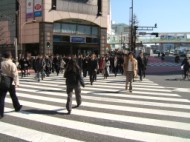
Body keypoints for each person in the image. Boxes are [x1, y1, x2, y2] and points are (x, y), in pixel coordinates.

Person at [0, 51, 22, 119]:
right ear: (10, 56)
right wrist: (16, 83)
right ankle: (17, 106)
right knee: (13, 95)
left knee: (1, 97)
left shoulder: (1, 63)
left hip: (2, 82)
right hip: (11, 82)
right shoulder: (12, 64)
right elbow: (15, 74)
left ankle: (1, 113)